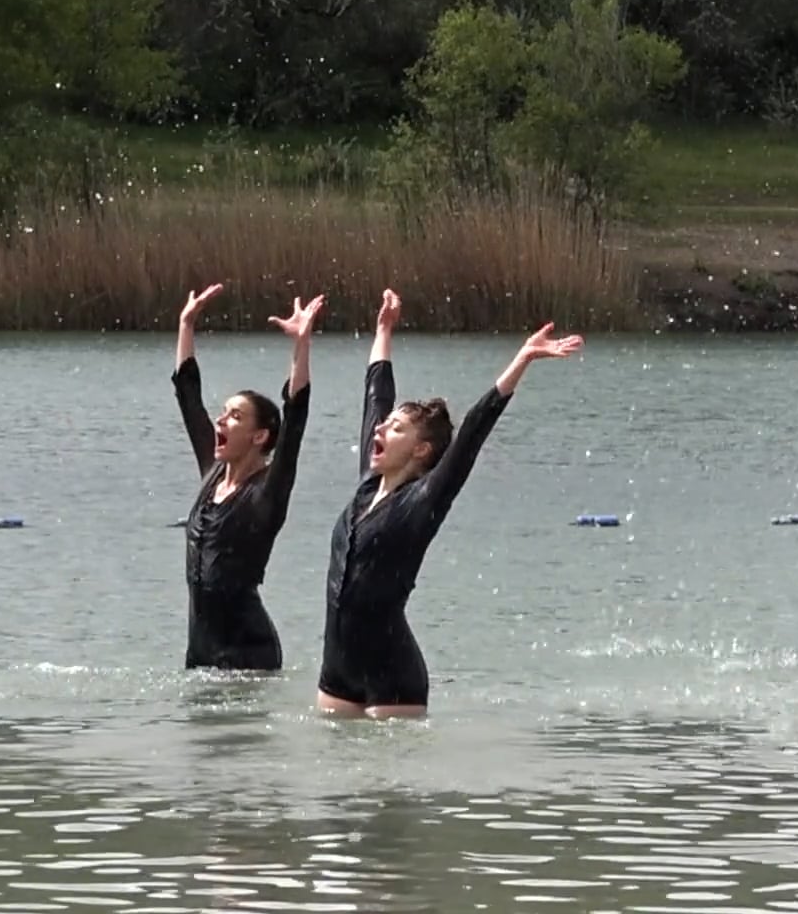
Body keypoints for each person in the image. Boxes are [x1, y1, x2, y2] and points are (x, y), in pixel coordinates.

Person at [317, 288, 583, 719]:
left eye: (397, 428)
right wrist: (384, 329)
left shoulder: (423, 501)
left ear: (422, 450)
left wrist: (522, 360)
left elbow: (473, 433)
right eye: (385, 425)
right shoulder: (368, 485)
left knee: (389, 786)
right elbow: (375, 395)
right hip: (337, 670)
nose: (381, 429)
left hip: (393, 677)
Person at [171, 283, 323, 672]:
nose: (221, 420)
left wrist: (301, 344)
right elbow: (188, 396)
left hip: (249, 655)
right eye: (223, 412)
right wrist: (186, 325)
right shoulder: (213, 473)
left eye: (235, 415)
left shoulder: (266, 494)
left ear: (260, 436)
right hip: (199, 653)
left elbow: (296, 417)